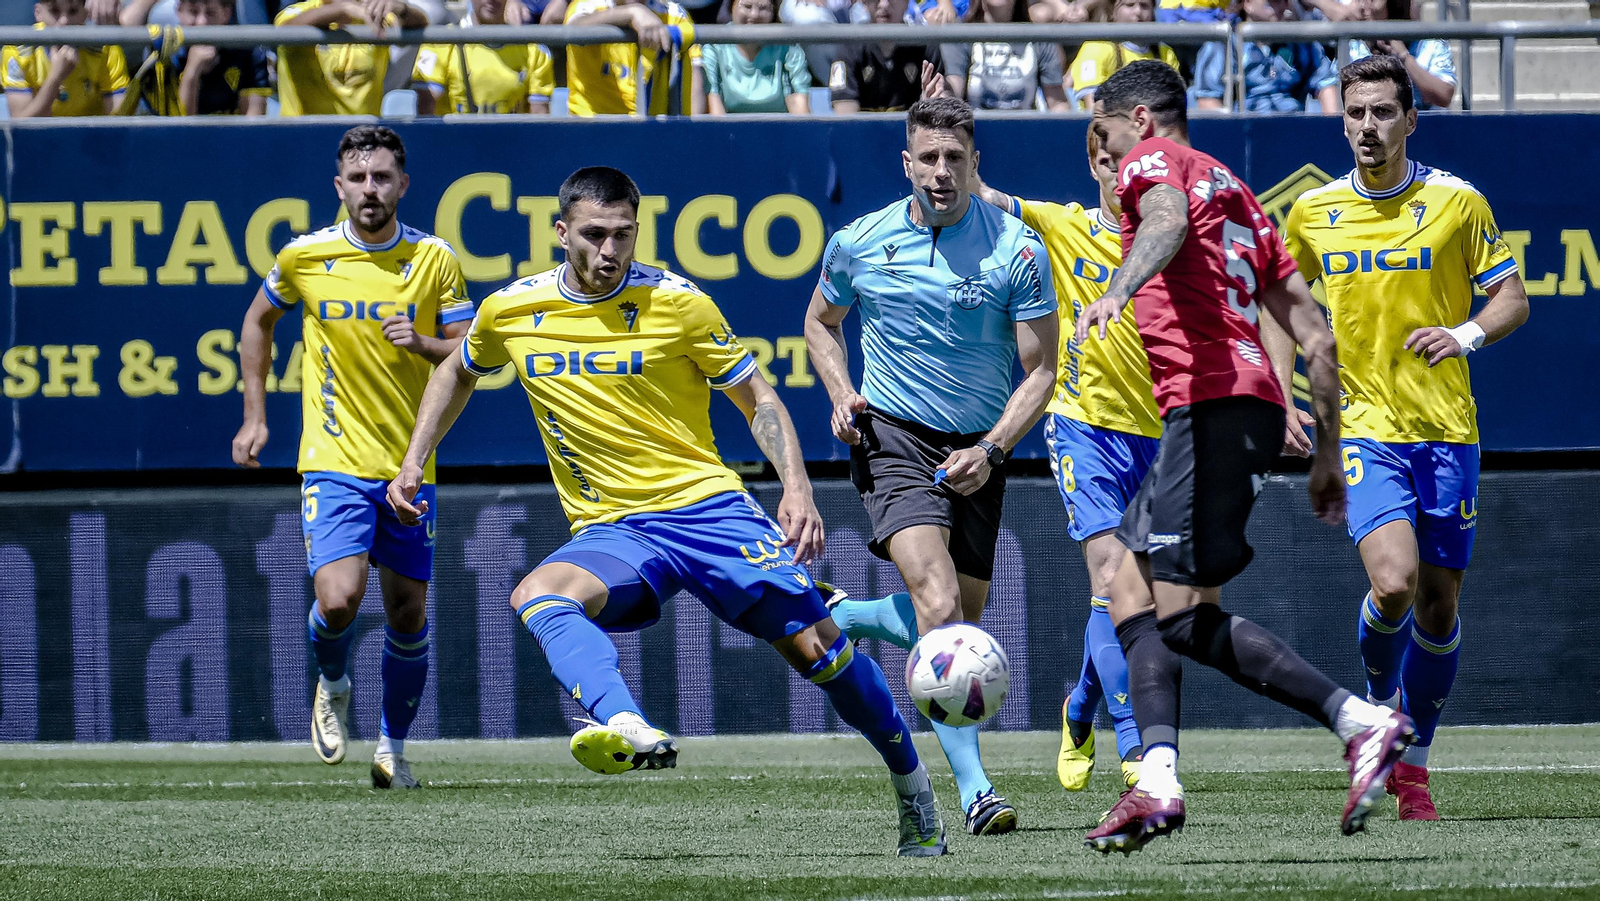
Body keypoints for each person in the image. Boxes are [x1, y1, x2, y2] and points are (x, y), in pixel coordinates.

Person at [385, 166, 947, 858]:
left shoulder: (680, 302)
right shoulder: (512, 309)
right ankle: (625, 720)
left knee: (822, 654)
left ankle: (913, 788)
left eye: (622, 234)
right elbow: (458, 368)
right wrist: (414, 458)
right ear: (561, 233)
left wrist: (795, 485)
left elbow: (760, 400)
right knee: (537, 594)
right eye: (593, 234)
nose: (608, 249)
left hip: (708, 508)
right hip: (614, 529)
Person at [1070, 61, 1415, 852]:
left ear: (1144, 122)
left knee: (1185, 618)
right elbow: (1315, 333)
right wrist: (1327, 450)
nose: (1106, 148)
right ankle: (1157, 779)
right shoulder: (1243, 197)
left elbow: (1160, 220)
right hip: (1242, 405)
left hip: (1212, 403)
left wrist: (1119, 288)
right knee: (1123, 579)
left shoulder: (1151, 164)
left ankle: (1357, 719)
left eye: (1109, 129)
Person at [1280, 55, 1529, 820]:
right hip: (1365, 428)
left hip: (1448, 432)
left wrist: (1463, 335)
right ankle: (1378, 715)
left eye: (1384, 112)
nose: (1368, 126)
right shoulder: (1314, 210)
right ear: (1342, 118)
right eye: (1356, 113)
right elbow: (1277, 296)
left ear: (1409, 119)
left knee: (1439, 608)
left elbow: (1512, 299)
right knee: (1392, 582)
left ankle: (1414, 764)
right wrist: (1273, 383)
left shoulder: (1457, 203)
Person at [805, 98, 1059, 838]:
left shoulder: (1018, 248)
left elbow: (1040, 372)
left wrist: (992, 449)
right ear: (906, 162)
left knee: (955, 627)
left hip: (980, 445)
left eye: (956, 158)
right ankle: (978, 790)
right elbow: (820, 323)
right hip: (893, 437)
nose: (941, 172)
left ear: (976, 162)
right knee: (942, 611)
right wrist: (842, 391)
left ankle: (848, 613)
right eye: (928, 158)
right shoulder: (859, 241)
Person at [232, 126, 473, 790]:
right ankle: (333, 681)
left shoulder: (434, 259)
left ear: (403, 184)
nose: (371, 188)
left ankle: (394, 748)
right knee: (338, 600)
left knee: (407, 614)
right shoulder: (305, 256)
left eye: (383, 177)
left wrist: (422, 342)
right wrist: (255, 414)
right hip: (333, 458)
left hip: (409, 465)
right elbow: (257, 320)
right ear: (339, 187)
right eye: (359, 178)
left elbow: (469, 355)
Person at [972, 127, 1163, 801]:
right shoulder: (1062, 226)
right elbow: (981, 194)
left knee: (1133, 598)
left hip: (1159, 434)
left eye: (1136, 166)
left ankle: (1078, 705)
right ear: (1094, 163)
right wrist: (946, 123)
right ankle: (1135, 742)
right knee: (1110, 576)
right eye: (1112, 165)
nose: (1124, 179)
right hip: (1082, 425)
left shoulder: (1171, 239)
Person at [274, 0, 429, 116]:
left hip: (363, 139)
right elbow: (285, 30)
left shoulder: (375, 16)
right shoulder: (301, 11)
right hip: (305, 137)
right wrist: (341, 10)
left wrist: (401, 8)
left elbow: (421, 24)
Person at [120, 0, 272, 115]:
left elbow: (253, 128)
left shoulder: (249, 52)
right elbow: (184, 135)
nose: (202, 23)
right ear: (178, 11)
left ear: (226, 14)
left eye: (211, 13)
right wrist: (192, 73)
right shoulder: (162, 49)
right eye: (193, 12)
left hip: (228, 147)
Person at [1193, 0, 1338, 114]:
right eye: (1272, 1)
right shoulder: (1224, 44)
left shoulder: (1300, 41)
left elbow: (1325, 84)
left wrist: (1331, 132)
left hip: (1294, 131)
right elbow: (1208, 99)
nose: (1281, 6)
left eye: (1284, 0)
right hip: (1245, 133)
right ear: (1247, 3)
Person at [564, 0, 703, 116]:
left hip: (652, 132)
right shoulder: (587, 6)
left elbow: (694, 84)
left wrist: (691, 137)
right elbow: (573, 30)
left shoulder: (674, 15)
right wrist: (632, 12)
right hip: (591, 130)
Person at [414, 0, 554, 114]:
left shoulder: (534, 51)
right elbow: (426, 108)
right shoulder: (440, 43)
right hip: (455, 143)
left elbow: (539, 117)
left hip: (511, 144)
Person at [3, 0, 129, 118]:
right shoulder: (17, 52)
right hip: (41, 140)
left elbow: (119, 122)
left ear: (85, 14)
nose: (64, 21)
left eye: (73, 11)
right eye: (54, 11)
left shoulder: (106, 49)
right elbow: (21, 128)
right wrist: (55, 78)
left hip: (91, 138)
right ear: (38, 13)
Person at [942, 0, 1071, 111]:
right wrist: (942, 91)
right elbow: (954, 91)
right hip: (975, 134)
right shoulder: (960, 36)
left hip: (1025, 134)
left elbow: (1057, 103)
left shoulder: (1039, 37)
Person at [829, 0, 945, 114]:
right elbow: (845, 116)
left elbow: (940, 101)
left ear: (907, 2)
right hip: (863, 131)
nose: (884, 4)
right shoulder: (848, 46)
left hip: (914, 130)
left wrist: (931, 103)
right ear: (864, 2)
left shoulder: (926, 45)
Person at [703, 0, 811, 114]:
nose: (754, 15)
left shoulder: (788, 47)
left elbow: (799, 104)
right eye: (747, 6)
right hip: (728, 130)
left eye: (763, 8)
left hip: (780, 129)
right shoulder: (714, 47)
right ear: (731, 7)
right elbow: (714, 106)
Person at [1347, 0, 1456, 111]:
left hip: (1425, 124)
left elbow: (1444, 96)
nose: (1365, 3)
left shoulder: (1429, 44)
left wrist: (1404, 57)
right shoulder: (1351, 45)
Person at [1067, 0, 1179, 108]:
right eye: (1129, 5)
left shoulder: (1165, 52)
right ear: (1112, 11)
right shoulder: (1095, 47)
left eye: (1144, 5)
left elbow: (1174, 104)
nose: (1138, 12)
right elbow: (1093, 108)